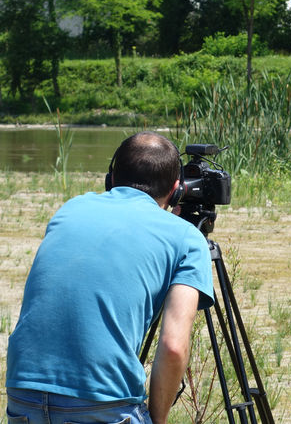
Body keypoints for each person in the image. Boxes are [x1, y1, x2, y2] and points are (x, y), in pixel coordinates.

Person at [6, 131, 215, 424]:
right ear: (177, 190)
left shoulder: (71, 209)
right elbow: (173, 346)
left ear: (111, 178)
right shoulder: (186, 239)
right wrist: (156, 419)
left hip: (23, 393)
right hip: (104, 403)